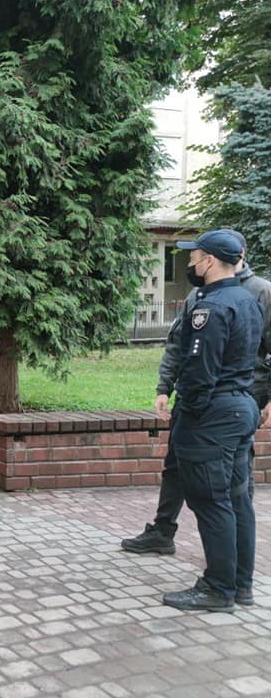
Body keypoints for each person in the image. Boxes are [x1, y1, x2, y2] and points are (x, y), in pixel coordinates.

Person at [122, 229, 271, 567]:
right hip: (214, 403)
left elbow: (208, 365)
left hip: (228, 404)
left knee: (227, 492)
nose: (191, 262)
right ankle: (165, 532)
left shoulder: (258, 293)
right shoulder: (203, 294)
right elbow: (179, 344)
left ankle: (226, 570)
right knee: (179, 468)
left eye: (196, 256)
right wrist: (165, 387)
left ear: (220, 258)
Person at [161, 230, 262, 613]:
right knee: (237, 499)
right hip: (240, 406)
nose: (190, 261)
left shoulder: (213, 307)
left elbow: (201, 370)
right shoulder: (247, 299)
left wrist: (190, 412)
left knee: (211, 501)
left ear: (211, 260)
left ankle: (218, 589)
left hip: (214, 415)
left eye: (195, 255)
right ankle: (240, 584)